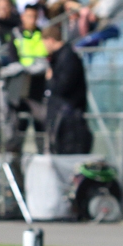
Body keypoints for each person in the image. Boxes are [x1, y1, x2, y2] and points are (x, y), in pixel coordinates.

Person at [42, 24, 92, 154]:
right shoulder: (60, 57)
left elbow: (62, 87)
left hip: (69, 121)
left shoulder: (68, 57)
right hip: (63, 118)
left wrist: (50, 79)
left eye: (44, 43)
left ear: (51, 40)